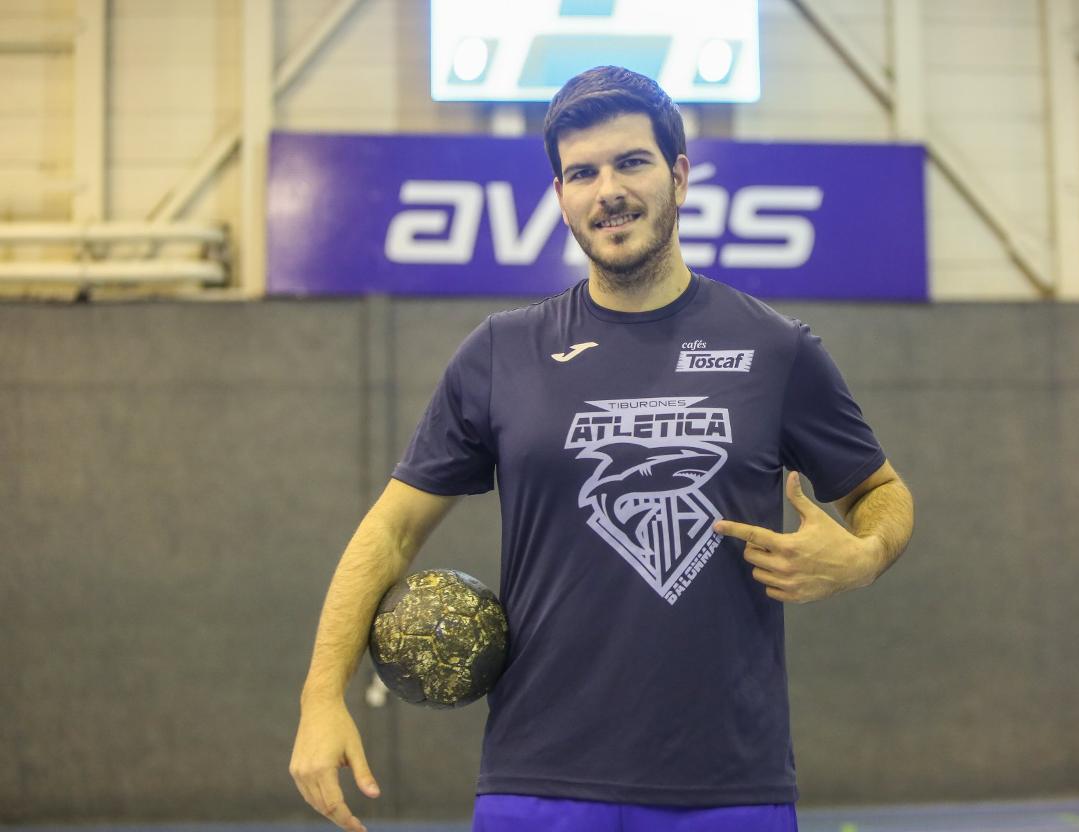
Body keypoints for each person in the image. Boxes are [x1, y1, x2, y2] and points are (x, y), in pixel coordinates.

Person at [290, 65, 915, 832]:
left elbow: (880, 491)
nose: (607, 191)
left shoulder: (775, 349)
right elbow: (391, 530)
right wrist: (321, 697)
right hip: (537, 781)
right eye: (582, 173)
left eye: (631, 162)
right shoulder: (503, 352)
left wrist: (863, 555)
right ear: (561, 195)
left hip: (728, 786)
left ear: (678, 176)